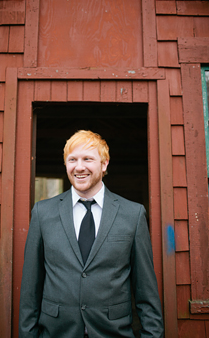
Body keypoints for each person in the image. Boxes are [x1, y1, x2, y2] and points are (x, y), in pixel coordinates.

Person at [19, 130, 163, 337]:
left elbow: (145, 289)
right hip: (56, 332)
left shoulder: (133, 213)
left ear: (104, 164)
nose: (79, 167)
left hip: (113, 332)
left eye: (88, 159)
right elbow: (30, 289)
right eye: (72, 160)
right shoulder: (43, 212)